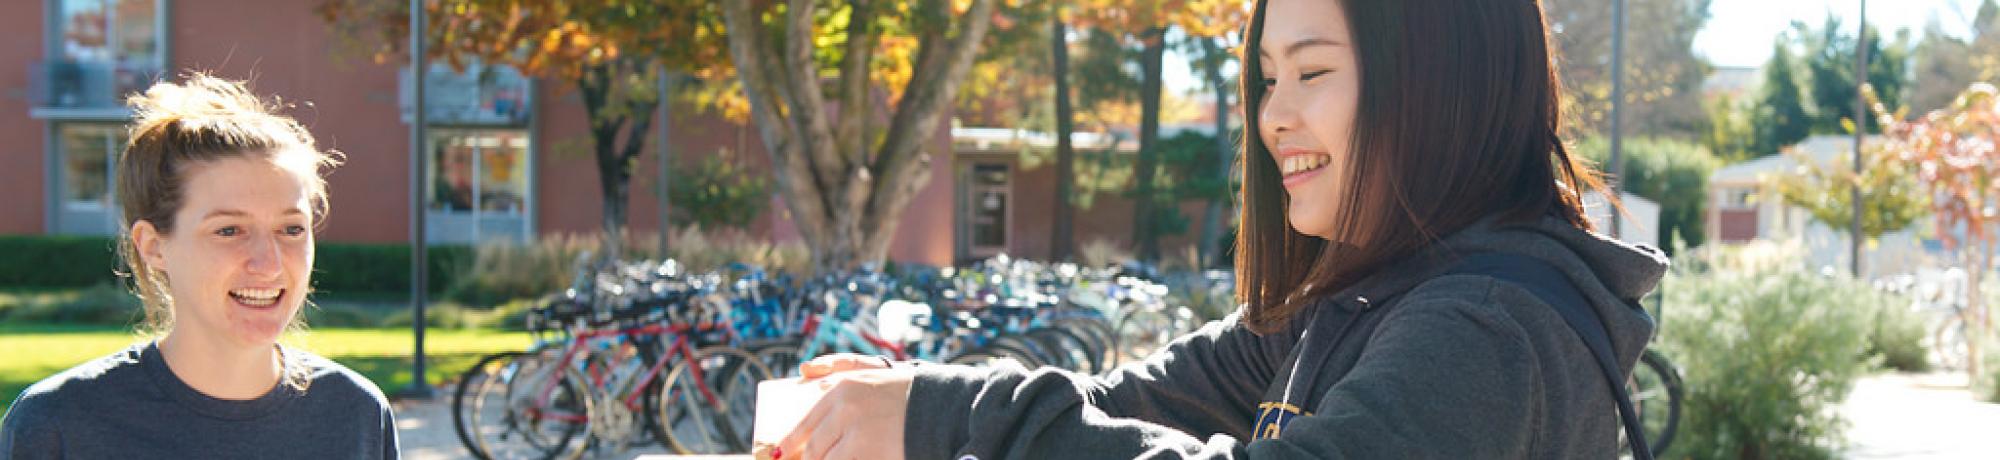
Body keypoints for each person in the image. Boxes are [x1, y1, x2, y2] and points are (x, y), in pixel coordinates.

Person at [769, 0, 1667, 458]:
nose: (1272, 116)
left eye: (1312, 72)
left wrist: (944, 415)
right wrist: (915, 400)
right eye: (1267, 78)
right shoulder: (1357, 297)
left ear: (1440, 87)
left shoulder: (1486, 333)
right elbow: (1131, 401)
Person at [0, 73, 399, 459]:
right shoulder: (58, 426)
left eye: (291, 228)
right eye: (229, 230)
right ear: (154, 247)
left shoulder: (356, 415)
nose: (269, 263)